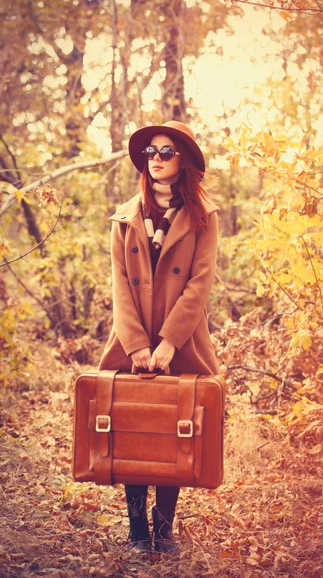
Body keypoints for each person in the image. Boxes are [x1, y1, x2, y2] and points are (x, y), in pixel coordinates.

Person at [98, 120, 220, 553]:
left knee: (175, 432)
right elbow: (119, 286)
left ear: (183, 160)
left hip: (181, 343)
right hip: (134, 342)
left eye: (166, 152)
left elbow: (199, 284)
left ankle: (163, 529)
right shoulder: (124, 217)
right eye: (151, 152)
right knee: (132, 427)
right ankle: (135, 529)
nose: (157, 159)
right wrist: (137, 346)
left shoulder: (204, 218)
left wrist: (169, 342)